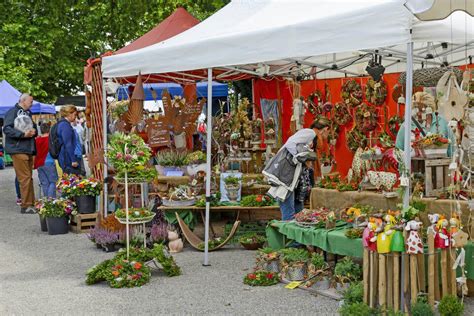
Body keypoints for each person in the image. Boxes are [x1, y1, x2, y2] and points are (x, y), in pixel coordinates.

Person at [263, 128, 317, 220]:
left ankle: (293, 233)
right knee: (289, 215)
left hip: (295, 183)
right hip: (287, 181)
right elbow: (290, 143)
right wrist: (298, 156)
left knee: (298, 215)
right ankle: (288, 234)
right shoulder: (310, 134)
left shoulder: (304, 145)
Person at [3, 93, 37, 213]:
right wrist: (22, 135)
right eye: (30, 101)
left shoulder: (28, 113)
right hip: (18, 149)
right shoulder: (12, 112)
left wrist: (34, 131)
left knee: (28, 177)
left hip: (27, 148)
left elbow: (33, 128)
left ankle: (31, 203)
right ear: (23, 101)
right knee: (25, 178)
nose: (32, 104)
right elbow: (6, 128)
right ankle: (26, 205)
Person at [396, 92, 455, 156]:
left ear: (430, 109)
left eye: (422, 110)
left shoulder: (442, 123)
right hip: (415, 165)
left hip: (440, 164)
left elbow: (452, 148)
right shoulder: (406, 125)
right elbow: (398, 151)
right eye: (416, 110)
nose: (419, 114)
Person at [57, 105, 83, 175]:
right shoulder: (65, 125)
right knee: (74, 181)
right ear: (69, 114)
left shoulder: (62, 124)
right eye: (74, 114)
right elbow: (68, 144)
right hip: (68, 158)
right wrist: (73, 160)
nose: (75, 117)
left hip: (65, 157)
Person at [34, 124, 58, 198]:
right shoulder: (50, 139)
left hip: (39, 164)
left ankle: (46, 201)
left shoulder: (37, 140)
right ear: (49, 129)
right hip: (49, 162)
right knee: (52, 182)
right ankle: (51, 200)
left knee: (44, 183)